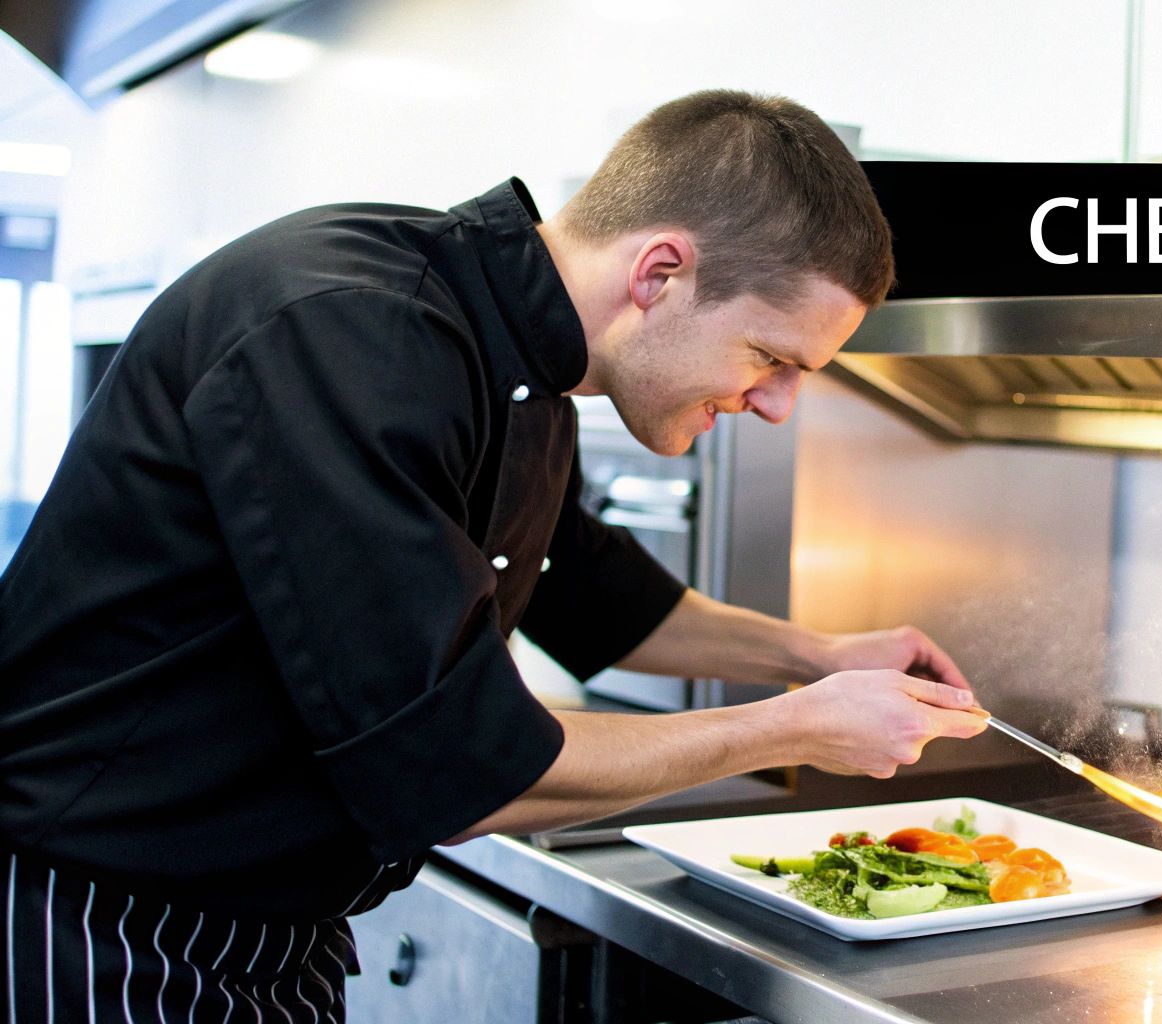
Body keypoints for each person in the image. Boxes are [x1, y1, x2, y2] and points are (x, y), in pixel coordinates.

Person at [0, 90, 987, 1022]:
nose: (776, 403)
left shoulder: (517, 366)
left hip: (259, 933)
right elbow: (459, 769)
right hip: (100, 920)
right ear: (659, 273)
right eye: (772, 358)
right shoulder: (355, 332)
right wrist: (791, 728)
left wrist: (816, 655)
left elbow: (601, 597)